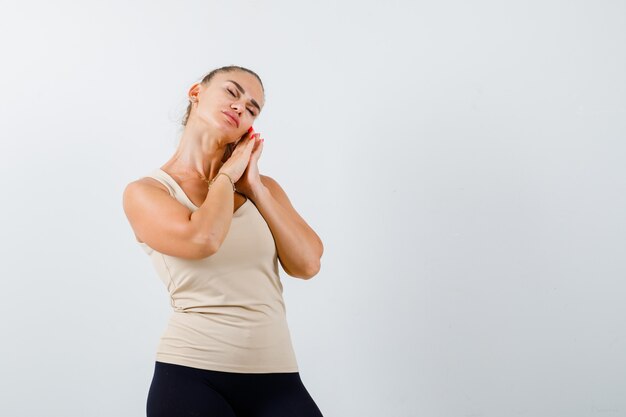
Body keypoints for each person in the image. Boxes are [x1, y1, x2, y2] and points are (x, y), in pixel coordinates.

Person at [122, 65, 325, 417]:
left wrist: (256, 188)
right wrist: (227, 176)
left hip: (278, 377)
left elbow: (308, 264)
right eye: (232, 93)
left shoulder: (264, 190)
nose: (240, 107)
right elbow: (204, 239)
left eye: (252, 109)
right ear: (197, 92)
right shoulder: (147, 192)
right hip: (191, 377)